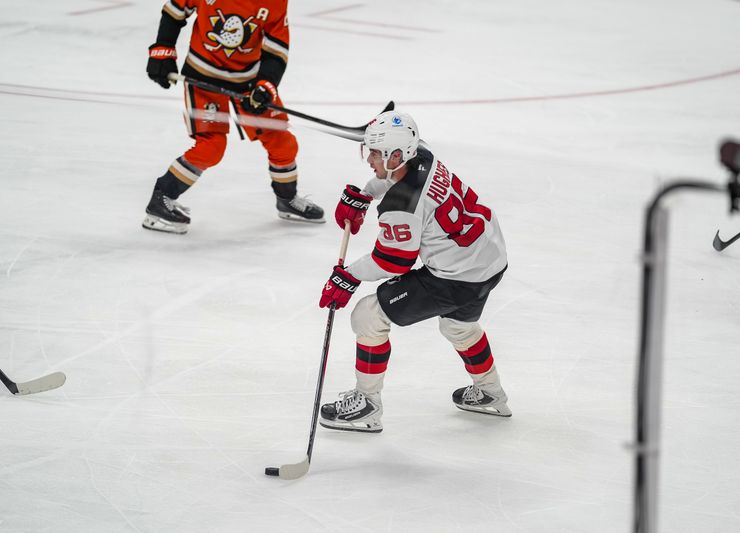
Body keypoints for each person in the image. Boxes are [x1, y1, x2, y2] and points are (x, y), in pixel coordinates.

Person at [317, 111, 510, 433]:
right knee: (459, 328)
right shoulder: (422, 151)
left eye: (375, 153)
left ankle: (367, 405)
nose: (369, 160)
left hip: (455, 277)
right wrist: (366, 194)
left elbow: (392, 261)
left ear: (396, 154)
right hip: (489, 260)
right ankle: (491, 392)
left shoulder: (402, 205)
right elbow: (397, 177)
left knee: (368, 315)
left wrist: (347, 276)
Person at [143, 0, 324, 234]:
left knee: (283, 141)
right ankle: (161, 199)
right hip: (203, 78)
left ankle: (287, 199)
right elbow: (175, 11)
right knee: (211, 147)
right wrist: (162, 50)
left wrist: (265, 85)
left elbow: (276, 47)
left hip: (248, 82)